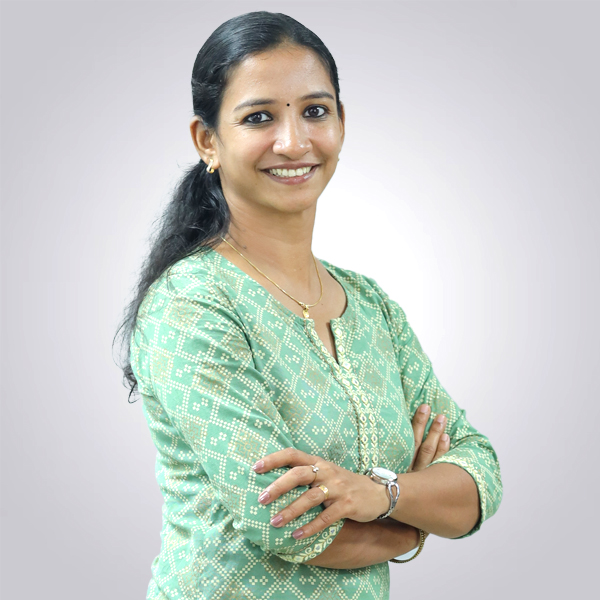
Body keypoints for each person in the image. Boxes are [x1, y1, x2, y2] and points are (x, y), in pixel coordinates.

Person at [118, 10, 503, 600]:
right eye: (259, 117)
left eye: (315, 112)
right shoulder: (191, 304)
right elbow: (285, 521)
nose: (294, 142)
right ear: (207, 141)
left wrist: (378, 494)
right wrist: (414, 518)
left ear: (342, 123)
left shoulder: (371, 308)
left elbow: (481, 476)